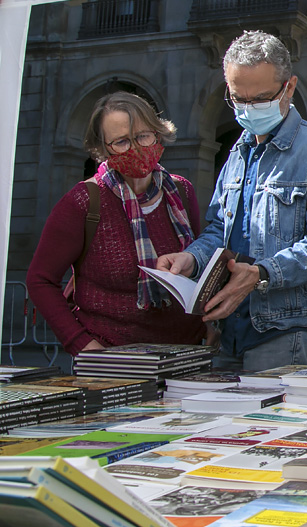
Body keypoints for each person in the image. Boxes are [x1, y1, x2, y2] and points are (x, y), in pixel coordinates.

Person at [157, 31, 307, 370]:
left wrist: (261, 273)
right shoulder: (238, 152)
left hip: (286, 333)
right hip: (228, 330)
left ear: (289, 88)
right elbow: (221, 228)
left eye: (260, 99)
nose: (247, 110)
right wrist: (191, 259)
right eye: (237, 99)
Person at [27, 92, 206, 355]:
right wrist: (84, 346)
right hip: (113, 363)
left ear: (158, 134)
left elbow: (199, 265)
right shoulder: (83, 202)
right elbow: (40, 280)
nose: (135, 149)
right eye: (122, 141)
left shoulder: (181, 192)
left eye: (143, 136)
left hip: (185, 356)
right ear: (104, 149)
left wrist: (210, 326)